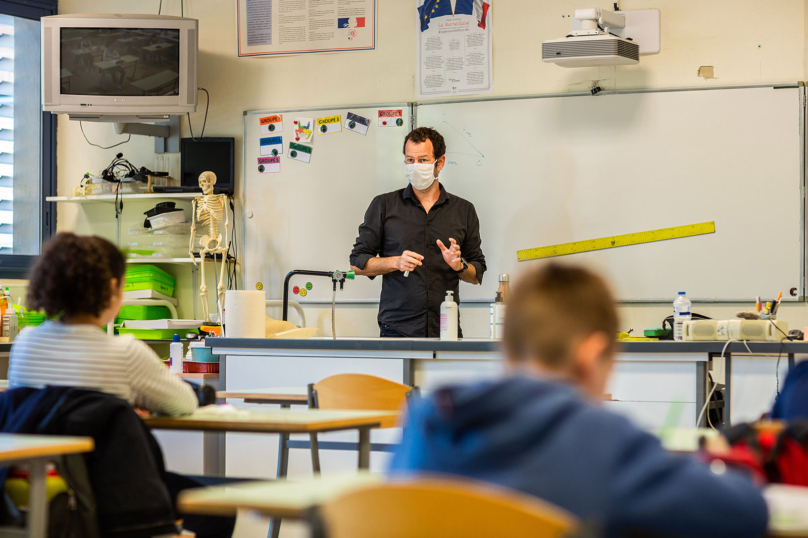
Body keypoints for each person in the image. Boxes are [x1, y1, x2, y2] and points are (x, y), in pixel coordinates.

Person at [389, 264, 768, 538]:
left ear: (507, 349)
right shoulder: (603, 440)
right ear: (592, 355)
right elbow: (744, 513)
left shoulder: (424, 425)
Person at [9, 233, 235, 538]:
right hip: (111, 494)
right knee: (219, 506)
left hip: (28, 490)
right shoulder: (124, 352)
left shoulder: (23, 344)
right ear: (113, 287)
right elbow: (183, 404)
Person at [350, 127, 487, 337]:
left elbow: (476, 273)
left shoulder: (463, 210)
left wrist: (460, 266)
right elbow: (357, 263)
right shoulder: (384, 205)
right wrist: (395, 262)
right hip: (397, 328)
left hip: (445, 328)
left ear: (439, 163)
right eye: (409, 160)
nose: (415, 167)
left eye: (423, 160)